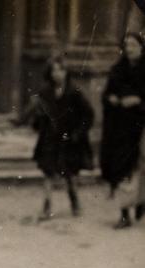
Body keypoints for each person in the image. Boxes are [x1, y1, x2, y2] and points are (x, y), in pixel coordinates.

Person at [28, 55, 94, 221]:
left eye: (61, 70)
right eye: (54, 70)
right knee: (48, 172)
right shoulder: (44, 92)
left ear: (66, 72)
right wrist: (37, 121)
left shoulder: (74, 92)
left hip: (68, 139)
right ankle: (47, 206)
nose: (57, 74)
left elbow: (89, 114)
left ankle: (74, 201)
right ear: (49, 73)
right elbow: (39, 117)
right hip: (50, 138)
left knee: (70, 174)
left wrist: (78, 133)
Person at [100, 32, 145, 229]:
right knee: (122, 169)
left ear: (142, 48)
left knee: (141, 169)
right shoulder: (117, 70)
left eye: (133, 45)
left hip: (142, 127)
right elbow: (107, 94)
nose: (129, 49)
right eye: (126, 46)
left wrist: (139, 101)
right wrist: (111, 99)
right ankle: (125, 213)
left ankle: (141, 202)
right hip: (122, 128)